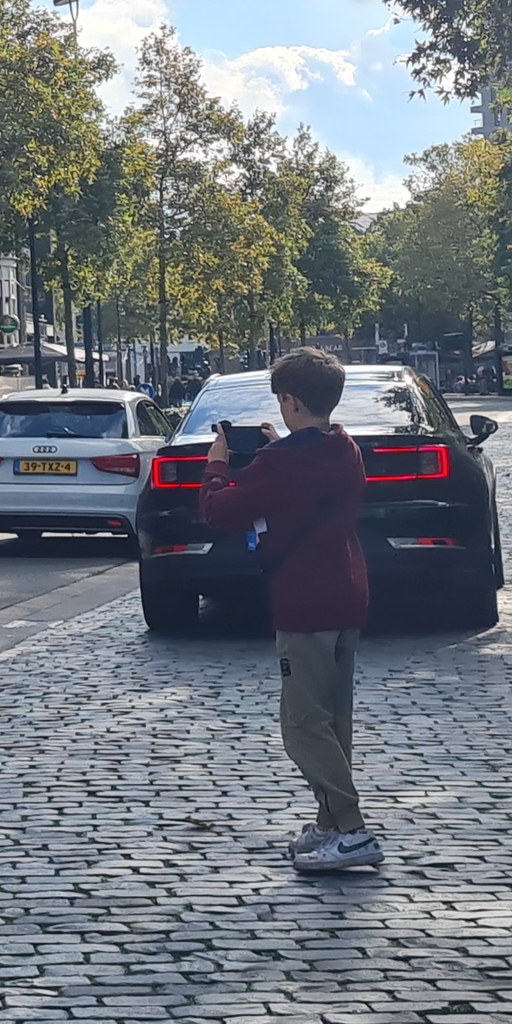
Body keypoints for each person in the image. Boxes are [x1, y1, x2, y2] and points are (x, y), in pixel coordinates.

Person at [200, 346, 377, 874]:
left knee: (301, 724)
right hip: (348, 590)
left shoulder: (283, 462)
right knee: (333, 717)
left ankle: (351, 828)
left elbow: (219, 511)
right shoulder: (341, 445)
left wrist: (217, 462)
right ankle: (327, 825)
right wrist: (281, 448)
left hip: (304, 597)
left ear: (291, 402)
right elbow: (302, 478)